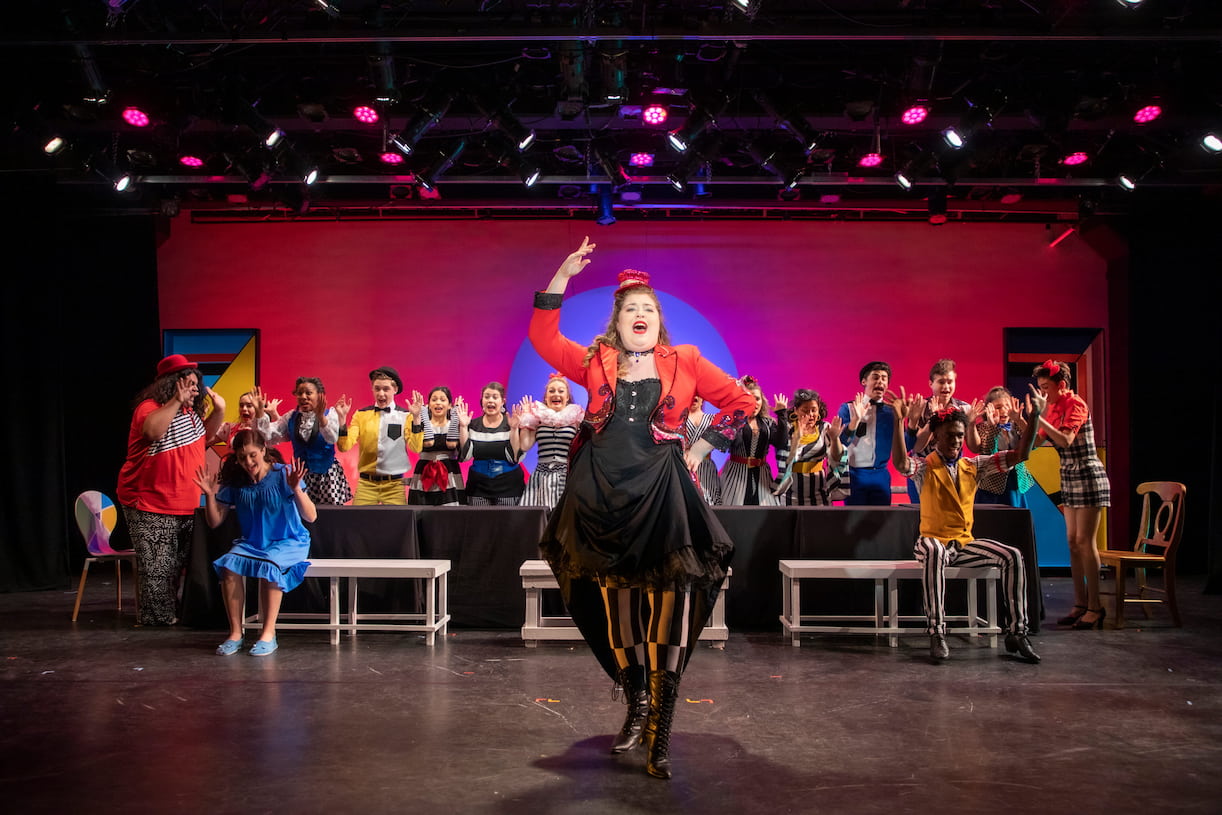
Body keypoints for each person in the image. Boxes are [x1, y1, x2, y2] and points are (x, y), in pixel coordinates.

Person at [529, 237, 756, 780]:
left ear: (658, 321)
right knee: (621, 610)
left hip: (662, 495)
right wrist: (562, 275)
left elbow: (743, 402)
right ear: (617, 321)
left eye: (648, 309)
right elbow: (543, 336)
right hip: (602, 497)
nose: (640, 314)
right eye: (630, 307)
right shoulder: (595, 360)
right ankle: (636, 705)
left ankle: (661, 728)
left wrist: (701, 448)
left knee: (668, 611)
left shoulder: (686, 360)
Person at [890, 389, 1046, 663]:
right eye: (950, 435)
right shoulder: (926, 467)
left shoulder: (974, 465)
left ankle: (1017, 632)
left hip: (963, 544)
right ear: (936, 437)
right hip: (931, 541)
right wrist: (898, 422)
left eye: (960, 435)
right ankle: (937, 632)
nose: (955, 440)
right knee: (935, 552)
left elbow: (1021, 455)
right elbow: (901, 463)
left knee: (1013, 556)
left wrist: (1034, 419)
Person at [117, 354, 226, 626]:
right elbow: (153, 433)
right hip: (150, 500)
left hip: (185, 502)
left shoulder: (191, 415)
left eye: (196, 384)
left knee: (175, 565)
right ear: (171, 384)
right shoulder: (149, 408)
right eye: (188, 384)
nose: (195, 389)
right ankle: (157, 618)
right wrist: (176, 401)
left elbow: (203, 439)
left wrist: (219, 412)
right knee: (158, 566)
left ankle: (170, 612)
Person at [194, 429, 315, 656]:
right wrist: (210, 495)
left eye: (252, 455)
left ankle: (268, 633)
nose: (248, 462)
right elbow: (214, 521)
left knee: (269, 566)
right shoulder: (236, 481)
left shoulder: (283, 474)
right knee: (229, 565)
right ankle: (235, 633)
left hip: (288, 542)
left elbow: (311, 516)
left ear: (263, 450)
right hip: (253, 543)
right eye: (242, 458)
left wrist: (296, 488)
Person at [1032, 360, 1112, 630]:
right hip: (1069, 476)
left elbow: (1065, 440)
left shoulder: (1075, 404)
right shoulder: (1053, 408)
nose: (1043, 392)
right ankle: (1080, 603)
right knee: (1072, 542)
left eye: (1046, 387)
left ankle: (1095, 607)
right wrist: (1027, 419)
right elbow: (1036, 442)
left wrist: (1040, 416)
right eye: (1041, 387)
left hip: (1087, 475)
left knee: (1085, 541)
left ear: (1061, 385)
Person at [335, 367, 423, 505]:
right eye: (377, 389)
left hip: (394, 485)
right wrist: (341, 420)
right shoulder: (361, 415)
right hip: (366, 485)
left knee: (398, 519)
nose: (381, 394)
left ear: (395, 389)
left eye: (386, 389)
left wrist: (416, 418)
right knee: (357, 518)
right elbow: (344, 446)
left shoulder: (406, 416)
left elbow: (416, 448)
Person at [263, 377, 352, 505]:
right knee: (303, 511)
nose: (303, 397)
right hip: (301, 476)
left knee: (330, 514)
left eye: (308, 393)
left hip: (327, 475)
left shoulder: (330, 414)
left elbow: (332, 438)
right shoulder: (291, 417)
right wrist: (260, 414)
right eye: (300, 393)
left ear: (319, 395)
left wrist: (321, 417)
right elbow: (270, 436)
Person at [903, 359, 973, 503]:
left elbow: (973, 446)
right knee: (922, 514)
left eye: (950, 382)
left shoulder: (964, 409)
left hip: (953, 470)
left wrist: (971, 424)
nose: (946, 386)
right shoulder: (920, 407)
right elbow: (916, 447)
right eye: (941, 382)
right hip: (922, 470)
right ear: (931, 383)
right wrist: (934, 419)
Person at [515, 375, 585, 509]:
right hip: (541, 476)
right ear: (546, 397)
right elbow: (524, 446)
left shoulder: (576, 418)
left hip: (566, 475)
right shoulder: (538, 418)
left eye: (561, 391)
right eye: (551, 391)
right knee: (537, 517)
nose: (556, 394)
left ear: (567, 397)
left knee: (562, 515)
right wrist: (525, 420)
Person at [837, 361, 898, 505]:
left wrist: (910, 423)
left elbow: (906, 445)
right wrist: (855, 420)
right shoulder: (848, 408)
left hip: (880, 474)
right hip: (854, 474)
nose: (880, 381)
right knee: (853, 517)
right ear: (864, 381)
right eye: (875, 377)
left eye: (884, 378)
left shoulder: (892, 412)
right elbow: (841, 442)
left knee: (881, 517)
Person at [718, 376, 786, 505]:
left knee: (764, 512)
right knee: (734, 511)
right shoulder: (733, 421)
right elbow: (727, 446)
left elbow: (781, 443)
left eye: (757, 398)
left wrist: (782, 415)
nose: (755, 403)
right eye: (749, 398)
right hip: (736, 475)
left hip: (762, 476)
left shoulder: (768, 423)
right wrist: (738, 416)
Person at [772, 389, 844, 505]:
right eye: (805, 410)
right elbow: (785, 459)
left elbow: (837, 457)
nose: (810, 415)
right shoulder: (787, 429)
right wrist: (798, 436)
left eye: (813, 410)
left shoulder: (825, 428)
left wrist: (835, 439)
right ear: (796, 410)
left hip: (819, 493)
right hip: (789, 493)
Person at [460, 381, 527, 505]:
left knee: (507, 518)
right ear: (482, 401)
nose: (490, 400)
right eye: (487, 397)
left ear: (502, 402)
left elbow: (515, 458)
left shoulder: (511, 423)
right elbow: (465, 456)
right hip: (478, 486)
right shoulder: (473, 424)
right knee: (478, 518)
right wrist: (463, 427)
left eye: (495, 397)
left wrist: (514, 429)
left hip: (509, 486)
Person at [973, 386, 1036, 508]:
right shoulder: (983, 427)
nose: (1003, 410)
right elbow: (988, 451)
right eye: (998, 407)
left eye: (1007, 406)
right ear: (989, 409)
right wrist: (993, 427)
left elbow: (1032, 445)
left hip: (1015, 482)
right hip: (992, 486)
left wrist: (1021, 420)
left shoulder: (1016, 426)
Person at [407, 386, 467, 506]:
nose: (438, 402)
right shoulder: (421, 424)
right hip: (424, 472)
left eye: (442, 400)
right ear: (428, 405)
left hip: (450, 473)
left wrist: (461, 424)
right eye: (434, 400)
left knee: (450, 513)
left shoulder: (455, 425)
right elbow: (416, 446)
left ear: (449, 405)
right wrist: (417, 417)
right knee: (422, 511)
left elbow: (461, 451)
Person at [683, 396, 722, 506]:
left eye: (698, 395)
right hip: (685, 465)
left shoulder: (712, 419)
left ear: (703, 398)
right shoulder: (680, 420)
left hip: (706, 467)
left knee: (710, 500)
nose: (695, 397)